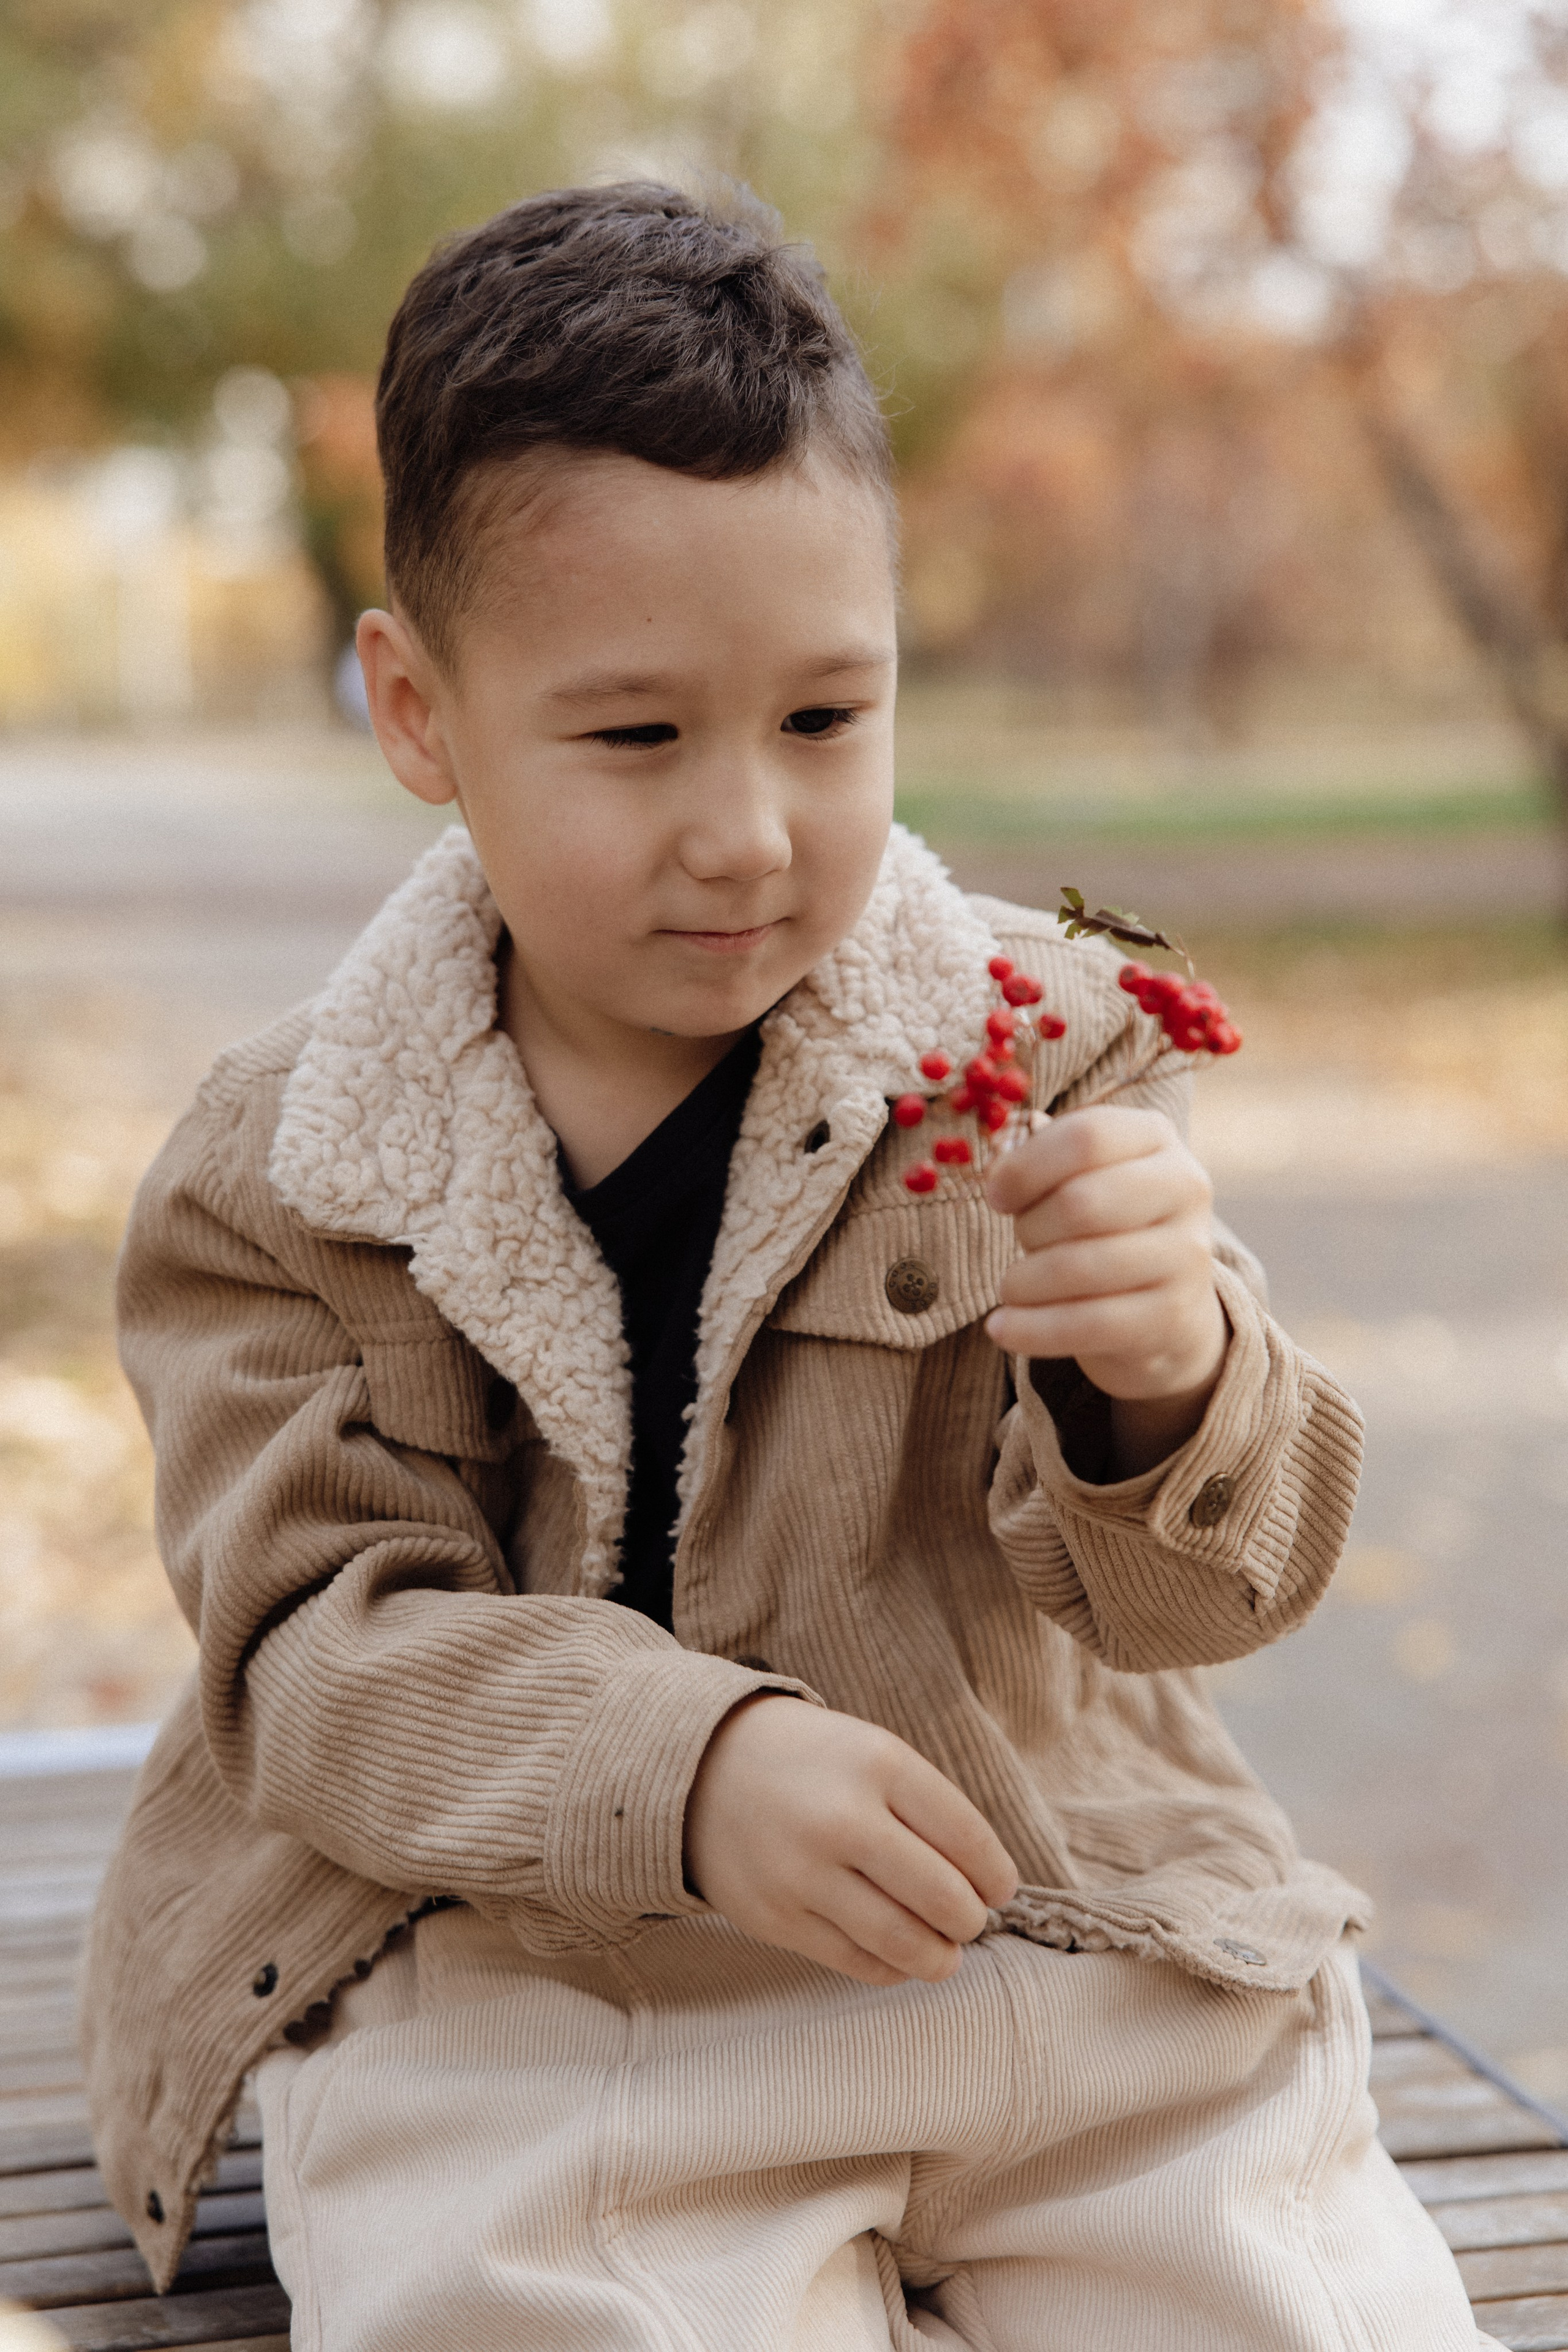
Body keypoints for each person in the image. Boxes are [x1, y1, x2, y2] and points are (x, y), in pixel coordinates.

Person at [82, 182, 1494, 2351]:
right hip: (534, 1972)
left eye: (826, 720)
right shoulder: (287, 1177)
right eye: (637, 737)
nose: (746, 831)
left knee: (1292, 2292)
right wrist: (691, 1769)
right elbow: (315, 1662)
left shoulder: (1035, 1052)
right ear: (420, 711)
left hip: (1034, 1911)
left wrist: (1171, 1383)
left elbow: (1202, 1601)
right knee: (522, 2290)